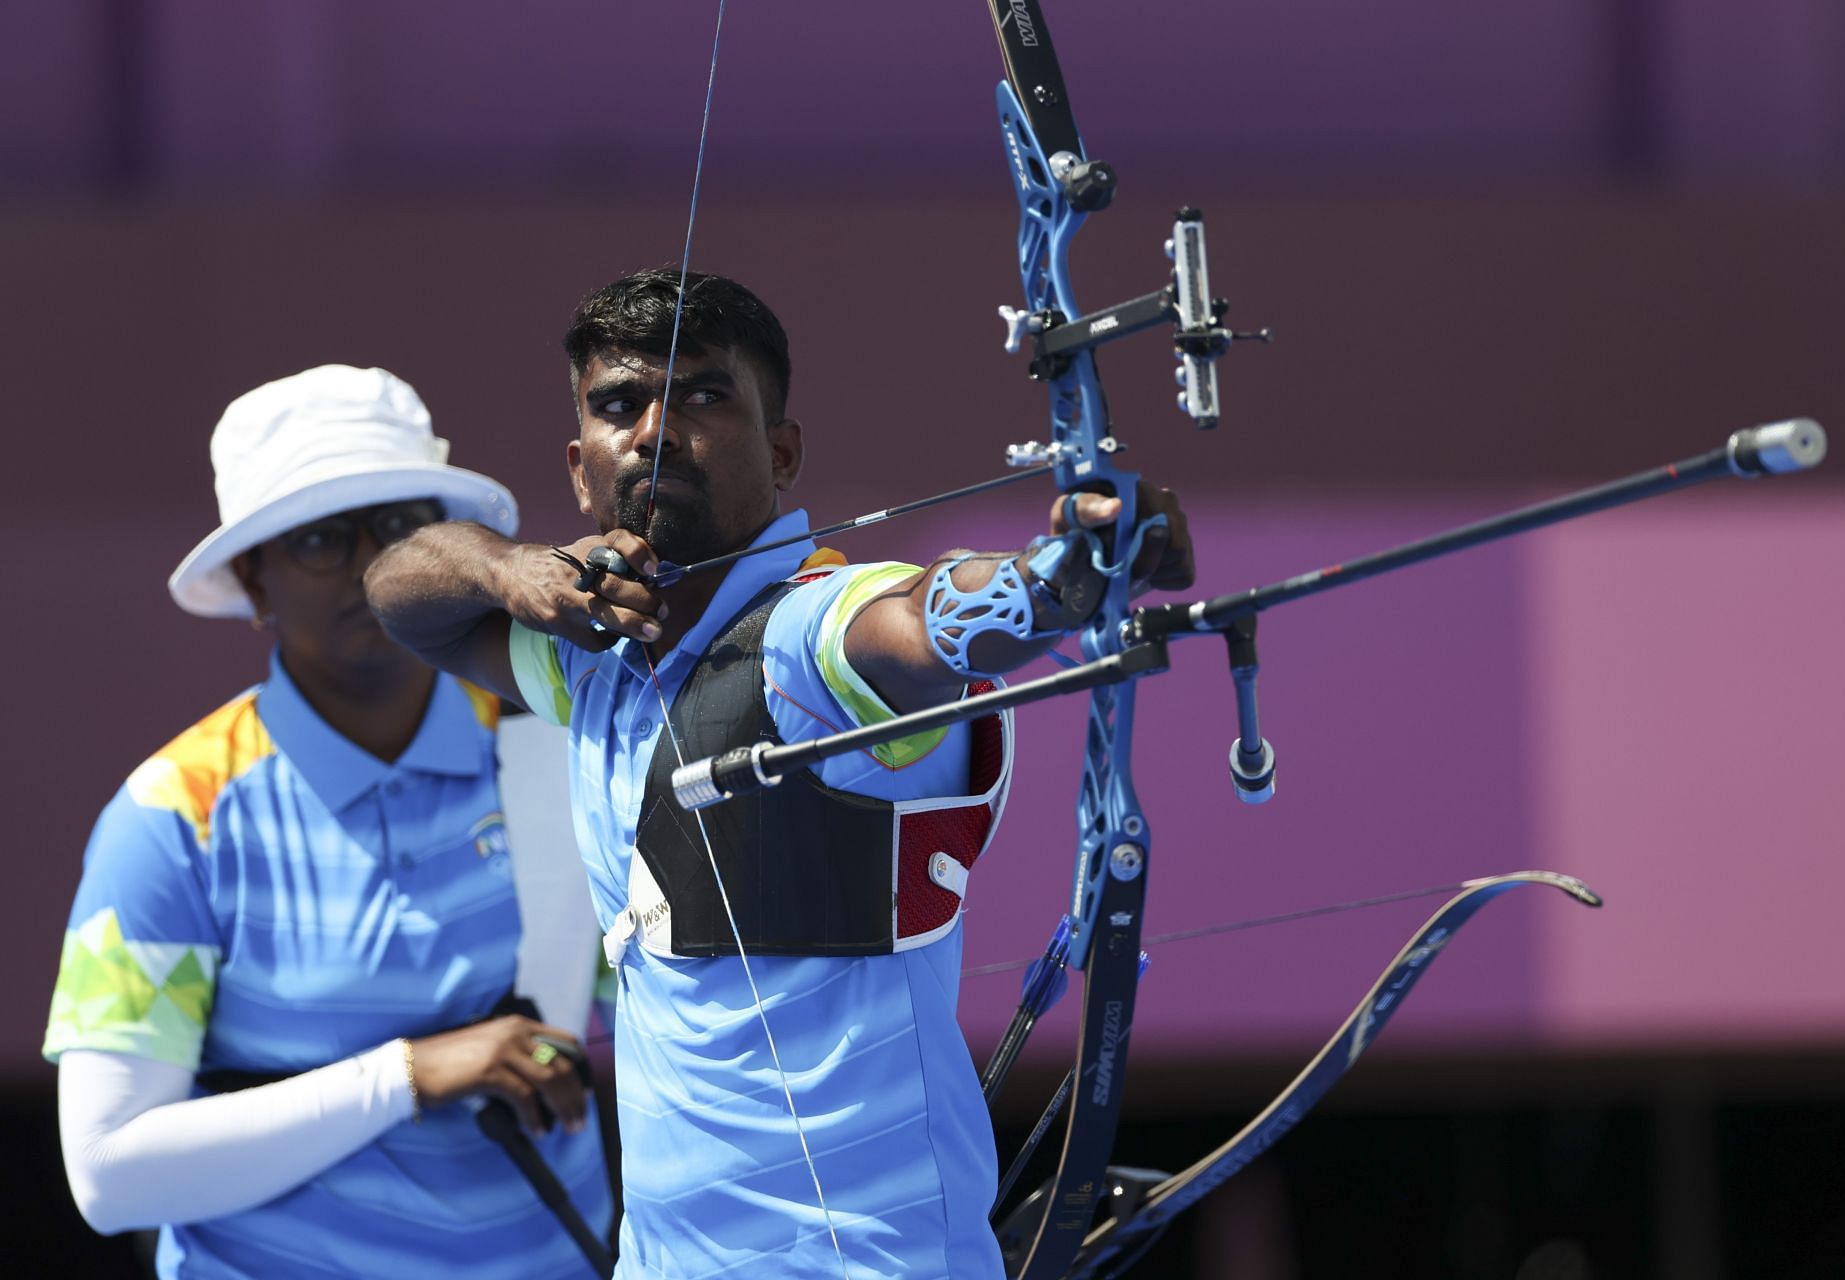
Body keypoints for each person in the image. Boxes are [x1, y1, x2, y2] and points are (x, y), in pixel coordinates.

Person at [365, 270, 1192, 1278]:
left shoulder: (818, 631)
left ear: (783, 450)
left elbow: (928, 615)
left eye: (705, 396)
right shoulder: (589, 658)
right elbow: (400, 588)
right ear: (581, 468)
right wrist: (511, 569)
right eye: (621, 405)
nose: (657, 431)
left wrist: (1065, 575)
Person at [44, 366, 614, 1279]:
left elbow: (658, 1017)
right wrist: (407, 1075)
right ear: (253, 581)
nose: (369, 567)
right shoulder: (171, 815)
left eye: (400, 527)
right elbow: (108, 1174)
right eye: (317, 539)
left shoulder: (563, 744)